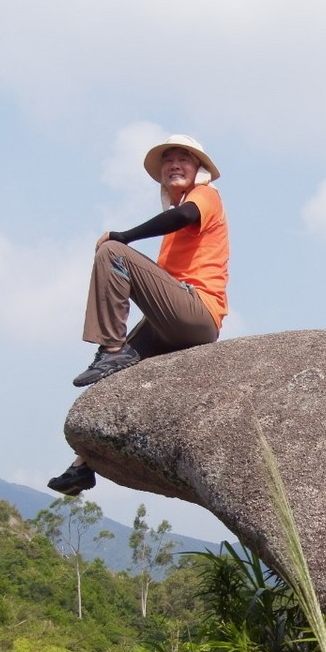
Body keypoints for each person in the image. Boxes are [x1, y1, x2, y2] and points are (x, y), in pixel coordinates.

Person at [48, 134, 229, 496]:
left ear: (199, 168)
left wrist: (124, 236)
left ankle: (111, 346)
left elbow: (183, 215)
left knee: (112, 252)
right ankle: (83, 465)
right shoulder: (177, 224)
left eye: (183, 159)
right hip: (172, 319)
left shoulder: (205, 196)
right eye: (168, 161)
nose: (174, 165)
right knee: (114, 375)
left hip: (197, 311)